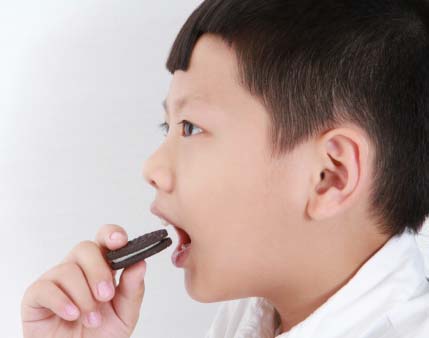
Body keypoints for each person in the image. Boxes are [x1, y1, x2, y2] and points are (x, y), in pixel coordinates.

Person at [21, 0, 429, 337]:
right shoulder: (251, 321)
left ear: (329, 176)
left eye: (191, 127)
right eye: (169, 127)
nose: (152, 168)